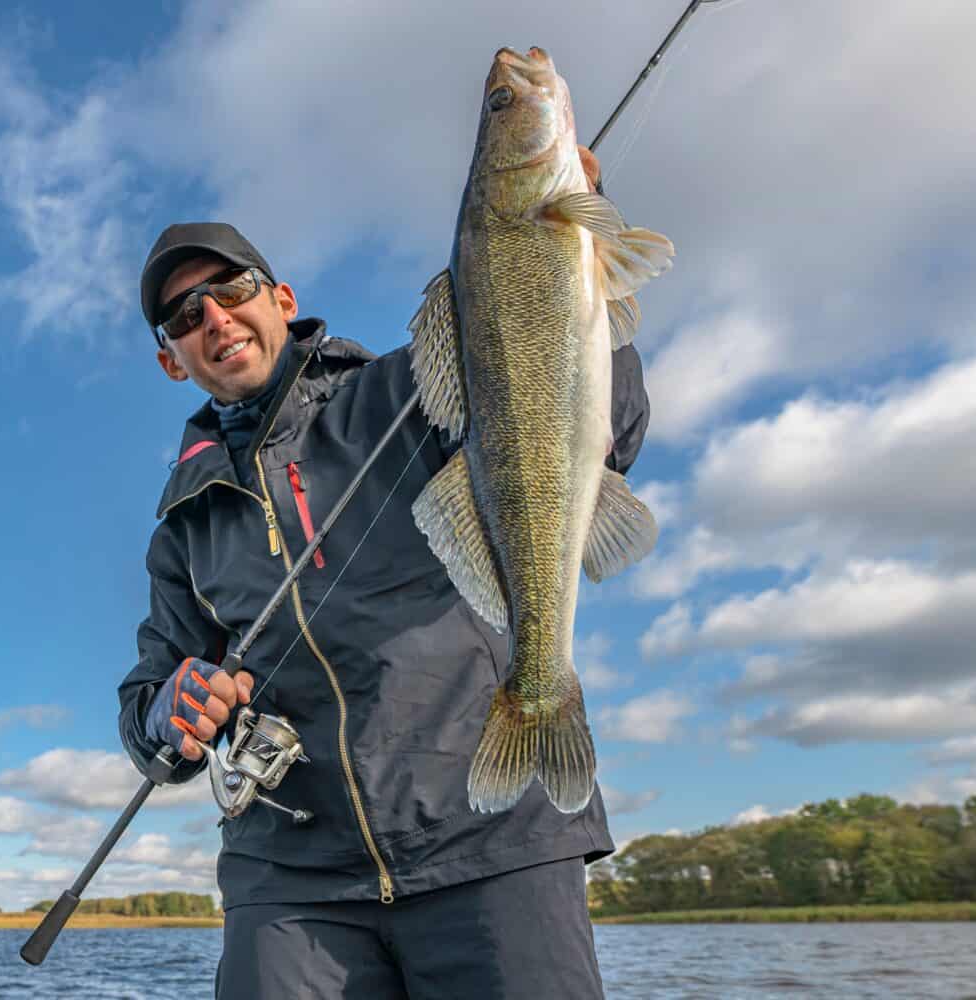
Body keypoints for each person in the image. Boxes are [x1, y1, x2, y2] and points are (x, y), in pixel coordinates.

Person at [117, 146, 649, 999]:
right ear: (170, 360)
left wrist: (568, 248)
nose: (212, 319)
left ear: (280, 301)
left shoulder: (410, 391)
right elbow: (146, 706)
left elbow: (605, 428)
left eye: (233, 289)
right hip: (289, 876)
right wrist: (169, 711)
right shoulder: (183, 526)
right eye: (182, 317)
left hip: (488, 833)